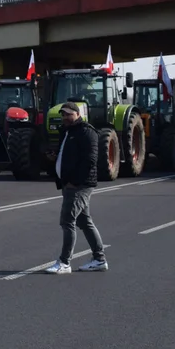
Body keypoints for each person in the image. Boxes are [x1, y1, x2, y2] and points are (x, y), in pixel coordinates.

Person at [44, 102, 108, 274]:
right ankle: (99, 259)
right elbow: (67, 155)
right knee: (84, 221)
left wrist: (75, 181)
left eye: (68, 114)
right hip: (68, 184)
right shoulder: (66, 131)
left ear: (77, 114)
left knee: (67, 221)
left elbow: (90, 161)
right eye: (63, 115)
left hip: (80, 185)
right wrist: (54, 158)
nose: (65, 117)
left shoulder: (87, 132)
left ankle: (64, 262)